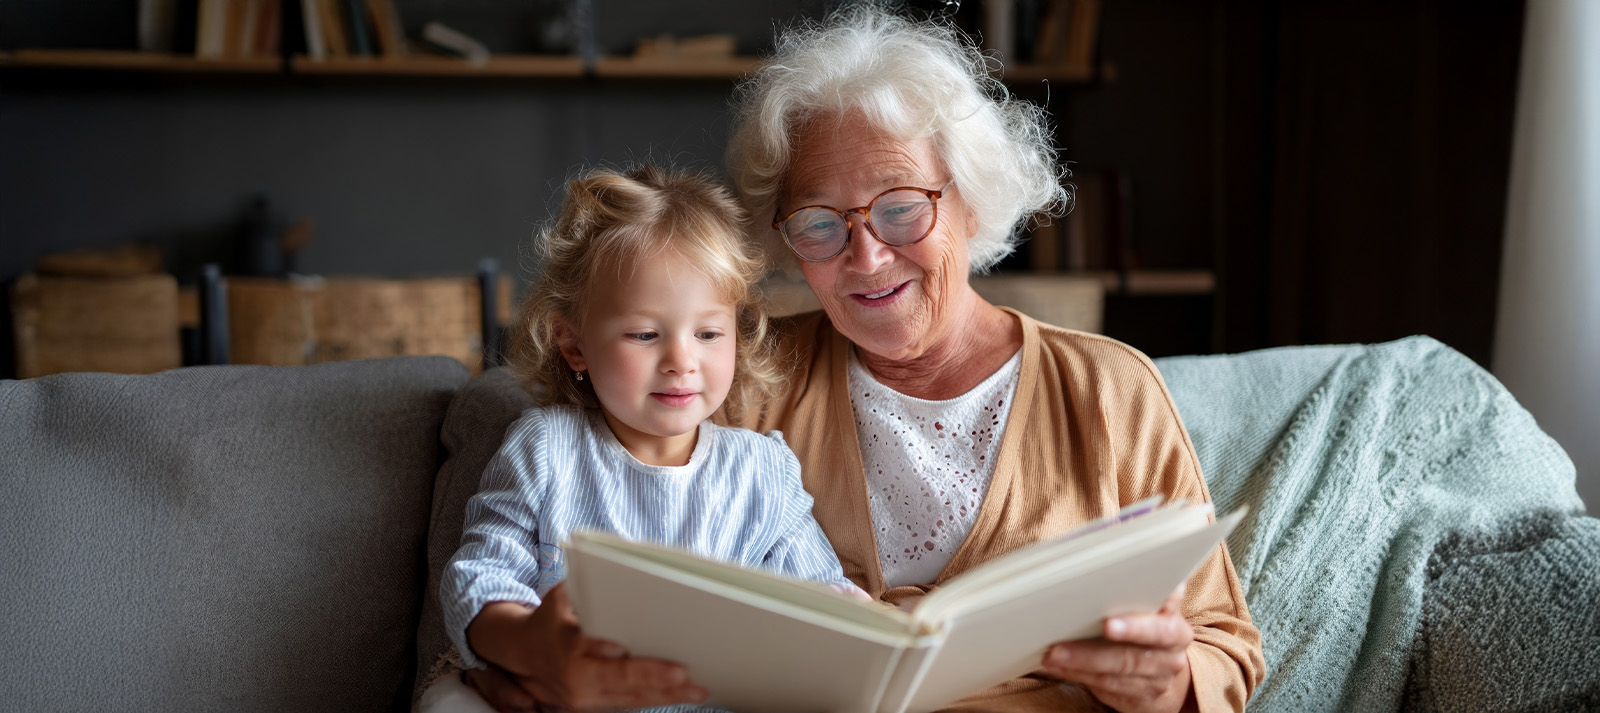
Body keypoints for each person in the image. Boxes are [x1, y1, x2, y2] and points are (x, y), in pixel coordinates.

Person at [466, 6, 1265, 713]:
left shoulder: (1110, 388)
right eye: (819, 222)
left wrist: (1165, 684)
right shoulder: (741, 378)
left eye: (900, 206)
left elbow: (1225, 646)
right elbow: (549, 574)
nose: (867, 255)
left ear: (972, 198)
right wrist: (534, 667)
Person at [420, 165, 865, 713]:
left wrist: (872, 632)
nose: (682, 361)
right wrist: (531, 644)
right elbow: (478, 581)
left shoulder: (761, 471)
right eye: (644, 335)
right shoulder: (545, 449)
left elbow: (821, 595)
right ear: (575, 344)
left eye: (707, 333)